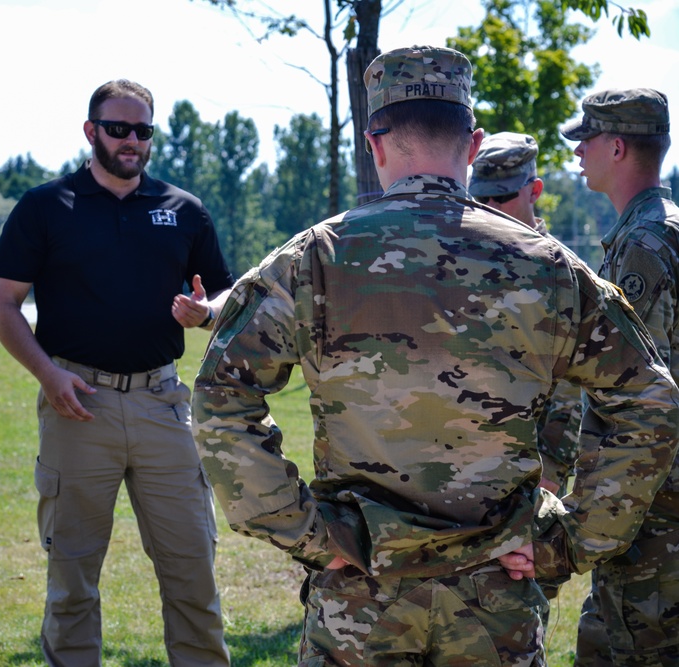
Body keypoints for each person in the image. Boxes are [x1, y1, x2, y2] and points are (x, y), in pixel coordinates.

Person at [192, 46, 679, 666]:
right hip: (495, 604)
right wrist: (572, 539)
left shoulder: (313, 260)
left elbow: (218, 396)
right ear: (473, 146)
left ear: (375, 144)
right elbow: (652, 401)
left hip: (359, 603)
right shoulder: (549, 267)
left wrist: (306, 531)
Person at [0, 79, 232, 666]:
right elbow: (1, 305)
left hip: (163, 404)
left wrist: (205, 313)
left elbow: (223, 296)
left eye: (142, 130)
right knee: (72, 581)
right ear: (91, 131)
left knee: (193, 573)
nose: (131, 140)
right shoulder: (45, 207)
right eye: (118, 128)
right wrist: (48, 375)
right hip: (77, 404)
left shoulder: (185, 211)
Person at [560, 87, 679, 666]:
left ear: (615, 146)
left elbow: (639, 391)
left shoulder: (643, 245)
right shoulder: (664, 230)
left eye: (585, 141)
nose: (577, 154)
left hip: (652, 510)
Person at [469, 131, 580, 496]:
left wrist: (550, 470)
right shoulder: (461, 264)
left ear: (535, 191)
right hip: (460, 466)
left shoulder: (560, 272)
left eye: (502, 197)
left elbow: (572, 384)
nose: (489, 206)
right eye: (480, 197)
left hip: (529, 474)